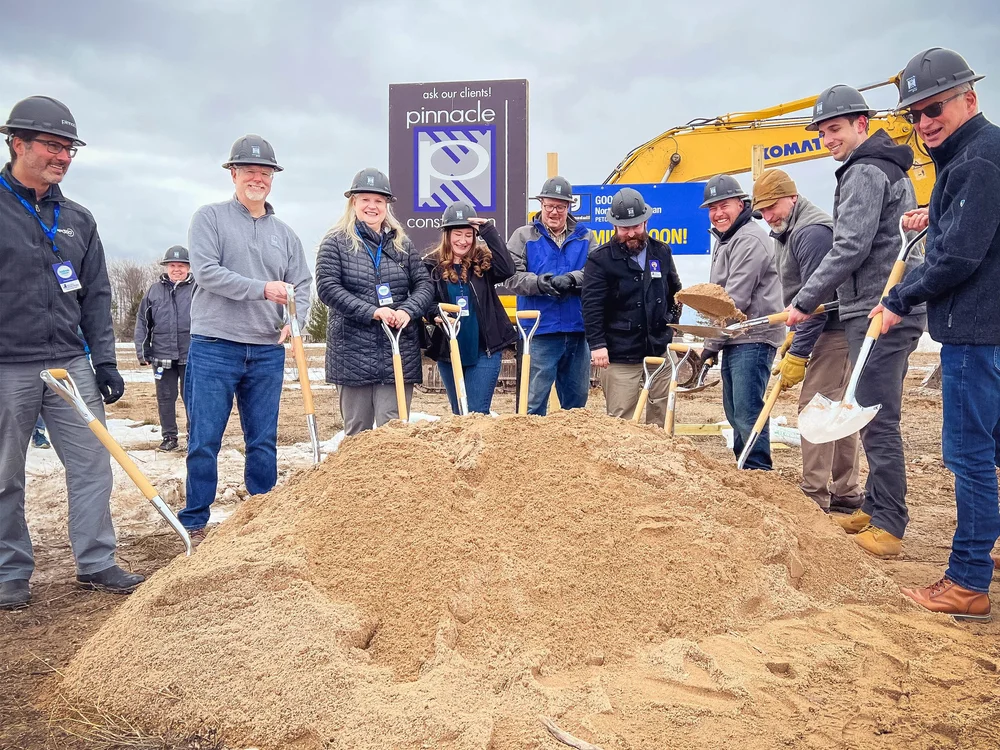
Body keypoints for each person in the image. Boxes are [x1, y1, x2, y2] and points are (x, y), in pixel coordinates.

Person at [871, 48, 997, 619]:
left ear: (969, 98)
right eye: (914, 114)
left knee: (969, 456)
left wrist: (897, 300)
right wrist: (941, 215)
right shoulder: (978, 156)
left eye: (934, 108)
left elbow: (958, 258)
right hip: (990, 328)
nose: (924, 122)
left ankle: (967, 581)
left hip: (976, 333)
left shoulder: (976, 161)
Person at [0, 96, 136, 610]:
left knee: (92, 464)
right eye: (52, 146)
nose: (62, 157)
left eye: (69, 149)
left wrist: (105, 360)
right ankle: (9, 571)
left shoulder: (78, 218)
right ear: (17, 143)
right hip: (7, 363)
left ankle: (96, 560)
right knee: (4, 474)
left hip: (69, 361)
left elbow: (97, 294)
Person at [785, 85, 924, 558]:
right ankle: (876, 505)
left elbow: (851, 246)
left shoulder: (865, 169)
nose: (828, 140)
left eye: (835, 129)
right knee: (867, 410)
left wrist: (806, 300)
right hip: (881, 305)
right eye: (822, 132)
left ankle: (889, 523)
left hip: (880, 308)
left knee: (878, 418)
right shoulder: (884, 166)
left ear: (861, 124)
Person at [179, 135, 311, 543]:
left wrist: (297, 319)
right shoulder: (210, 218)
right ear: (233, 174)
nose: (258, 179)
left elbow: (303, 284)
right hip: (215, 345)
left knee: (263, 440)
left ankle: (261, 515)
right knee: (205, 439)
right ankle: (195, 520)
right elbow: (206, 272)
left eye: (265, 173)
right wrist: (262, 289)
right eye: (249, 171)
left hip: (266, 349)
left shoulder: (285, 234)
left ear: (273, 178)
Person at [753, 169, 862, 513]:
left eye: (772, 207)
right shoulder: (787, 231)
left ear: (793, 197)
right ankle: (846, 492)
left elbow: (818, 299)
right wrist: (794, 336)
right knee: (836, 410)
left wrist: (799, 353)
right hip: (824, 329)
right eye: (762, 211)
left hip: (834, 331)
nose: (768, 216)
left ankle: (814, 495)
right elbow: (802, 298)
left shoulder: (811, 232)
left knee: (815, 408)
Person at [316, 168, 433, 435]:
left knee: (394, 431)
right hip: (352, 352)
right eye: (365, 199)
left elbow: (424, 285)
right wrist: (373, 311)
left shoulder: (402, 244)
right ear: (353, 202)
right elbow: (328, 288)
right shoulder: (335, 242)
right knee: (358, 431)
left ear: (387, 204)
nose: (372, 206)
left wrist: (408, 310)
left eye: (379, 200)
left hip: (398, 350)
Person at [700, 174, 784, 470]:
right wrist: (714, 341)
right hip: (736, 336)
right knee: (735, 411)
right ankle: (745, 468)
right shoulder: (727, 238)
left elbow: (734, 300)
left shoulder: (749, 239)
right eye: (712, 208)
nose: (718, 213)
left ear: (741, 204)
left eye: (724, 205)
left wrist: (709, 345)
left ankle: (757, 470)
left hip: (754, 335)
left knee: (747, 411)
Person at [582, 188, 682, 425]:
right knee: (622, 419)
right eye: (624, 228)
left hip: (659, 349)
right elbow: (591, 305)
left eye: (636, 226)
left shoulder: (662, 252)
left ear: (645, 221)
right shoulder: (600, 260)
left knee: (662, 416)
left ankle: (661, 449)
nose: (631, 233)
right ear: (614, 226)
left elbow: (675, 292)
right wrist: (597, 345)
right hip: (619, 354)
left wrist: (671, 322)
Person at [506, 176, 597, 414]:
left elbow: (597, 273)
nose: (554, 212)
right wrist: (538, 283)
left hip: (577, 330)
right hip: (538, 331)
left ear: (569, 207)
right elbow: (510, 275)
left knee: (576, 405)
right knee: (533, 403)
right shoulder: (523, 236)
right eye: (549, 206)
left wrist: (572, 279)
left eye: (560, 206)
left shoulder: (586, 237)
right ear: (541, 204)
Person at [422, 202, 517, 415]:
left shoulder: (482, 262)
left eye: (469, 235)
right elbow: (425, 300)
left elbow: (508, 269)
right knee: (459, 413)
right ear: (447, 235)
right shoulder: (431, 266)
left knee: (476, 412)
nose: (463, 241)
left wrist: (488, 230)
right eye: (457, 234)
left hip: (484, 349)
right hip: (450, 349)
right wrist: (435, 313)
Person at [134, 245, 193, 452]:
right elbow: (143, 322)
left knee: (193, 398)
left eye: (181, 266)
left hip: (191, 354)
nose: (177, 269)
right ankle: (169, 436)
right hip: (162, 355)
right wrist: (143, 351)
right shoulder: (154, 291)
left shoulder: (198, 289)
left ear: (188, 267)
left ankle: (194, 436)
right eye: (172, 265)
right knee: (165, 398)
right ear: (167, 267)